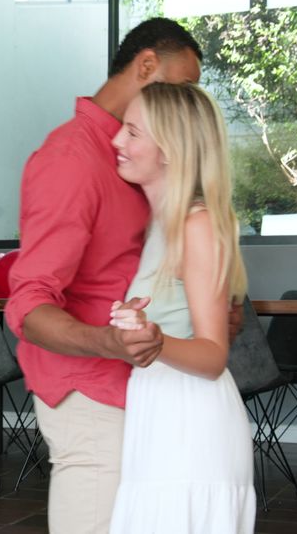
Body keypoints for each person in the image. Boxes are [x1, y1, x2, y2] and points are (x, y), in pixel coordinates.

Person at [4, 18, 211, 533]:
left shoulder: (138, 161)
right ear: (146, 67)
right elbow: (28, 304)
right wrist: (108, 342)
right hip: (90, 392)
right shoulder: (72, 158)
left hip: (141, 387)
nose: (189, 105)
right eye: (183, 88)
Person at [107, 82, 255, 533]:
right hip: (160, 410)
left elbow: (212, 356)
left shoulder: (197, 224)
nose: (117, 141)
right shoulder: (162, 226)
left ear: (169, 150)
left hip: (191, 420)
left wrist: (154, 339)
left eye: (133, 132)